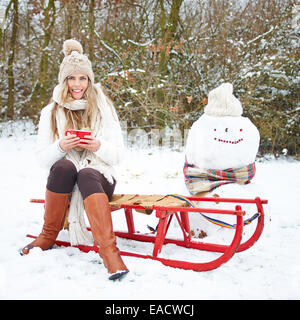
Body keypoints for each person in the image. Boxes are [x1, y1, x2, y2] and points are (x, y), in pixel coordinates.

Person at [21, 39, 129, 281]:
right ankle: (48, 235)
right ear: (64, 80)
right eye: (71, 78)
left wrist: (98, 145)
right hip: (65, 179)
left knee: (87, 173)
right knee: (63, 165)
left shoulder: (104, 108)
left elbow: (119, 155)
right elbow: (41, 159)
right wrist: (61, 146)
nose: (77, 84)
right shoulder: (50, 112)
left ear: (89, 80)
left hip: (98, 179)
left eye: (82, 78)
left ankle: (109, 252)